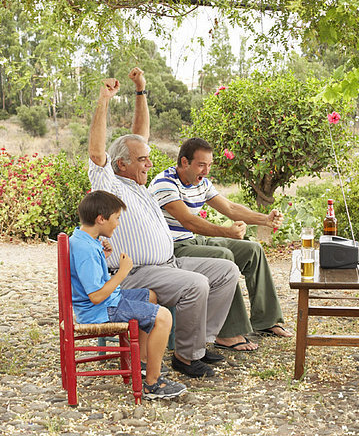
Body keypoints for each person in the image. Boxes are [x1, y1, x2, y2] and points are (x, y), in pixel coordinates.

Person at [88, 68, 240, 378]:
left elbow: (139, 137)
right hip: (135, 273)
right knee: (196, 284)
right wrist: (104, 100)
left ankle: (197, 344)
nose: (150, 163)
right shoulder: (109, 186)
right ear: (122, 165)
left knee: (227, 271)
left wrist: (140, 91)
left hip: (168, 264)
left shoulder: (139, 185)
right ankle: (185, 358)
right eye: (143, 159)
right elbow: (96, 151)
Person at [148, 137, 293, 351]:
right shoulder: (164, 184)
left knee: (253, 250)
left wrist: (265, 219)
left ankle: (266, 320)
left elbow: (231, 208)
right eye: (201, 165)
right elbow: (189, 221)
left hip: (193, 241)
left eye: (209, 165)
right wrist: (227, 232)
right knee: (223, 256)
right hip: (173, 248)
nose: (206, 171)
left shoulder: (201, 182)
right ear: (185, 162)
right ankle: (228, 334)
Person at [69, 189, 187, 399]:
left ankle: (142, 364)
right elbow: (95, 296)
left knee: (150, 295)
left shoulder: (83, 240)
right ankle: (152, 384)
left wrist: (103, 257)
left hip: (106, 303)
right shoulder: (86, 250)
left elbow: (89, 277)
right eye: (116, 218)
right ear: (101, 219)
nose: (118, 223)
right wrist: (122, 272)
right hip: (101, 310)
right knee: (164, 316)